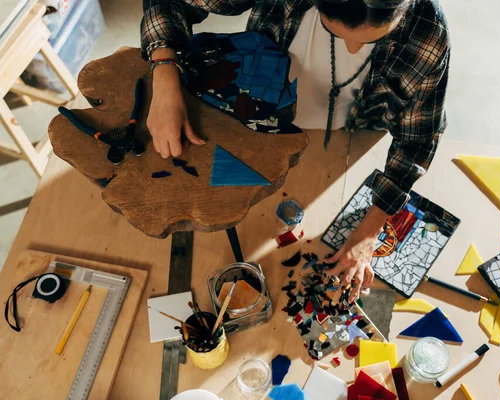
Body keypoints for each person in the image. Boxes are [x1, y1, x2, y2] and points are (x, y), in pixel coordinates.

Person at [141, 0, 450, 302]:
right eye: (338, 34)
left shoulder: (428, 29)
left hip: (353, 139)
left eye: (374, 37)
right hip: (262, 123)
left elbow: (417, 139)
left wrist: (370, 231)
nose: (354, 49)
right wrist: (165, 73)